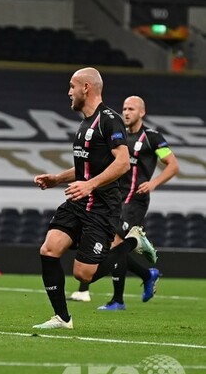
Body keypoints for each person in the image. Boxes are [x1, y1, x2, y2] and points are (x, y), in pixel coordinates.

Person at [32, 68, 156, 329]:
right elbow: (85, 169)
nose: (69, 92)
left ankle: (132, 241)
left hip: (102, 206)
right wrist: (57, 178)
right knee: (49, 249)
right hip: (78, 202)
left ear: (86, 88)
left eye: (72, 86)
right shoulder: (85, 123)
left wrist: (90, 185)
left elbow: (123, 163)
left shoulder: (109, 120)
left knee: (83, 274)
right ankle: (62, 318)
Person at [69, 95, 179, 309]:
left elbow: (172, 165)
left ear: (142, 112)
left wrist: (153, 183)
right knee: (114, 247)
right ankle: (146, 274)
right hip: (115, 199)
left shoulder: (152, 138)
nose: (126, 112)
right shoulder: (118, 136)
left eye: (131, 109)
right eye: (125, 109)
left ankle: (117, 299)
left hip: (135, 200)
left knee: (116, 243)